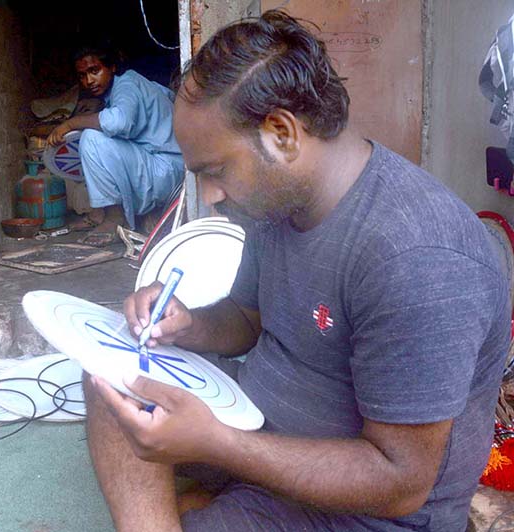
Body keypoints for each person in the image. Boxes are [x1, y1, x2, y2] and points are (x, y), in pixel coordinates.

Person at [82, 10, 510, 532]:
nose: (210, 197)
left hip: (361, 510)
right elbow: (246, 316)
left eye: (215, 172)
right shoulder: (276, 202)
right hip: (254, 426)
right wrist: (188, 324)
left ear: (282, 134)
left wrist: (220, 445)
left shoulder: (417, 255)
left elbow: (399, 483)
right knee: (109, 377)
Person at [47, 45, 184, 246]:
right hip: (169, 169)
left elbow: (119, 122)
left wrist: (70, 123)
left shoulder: (126, 83)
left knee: (92, 139)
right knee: (100, 138)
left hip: (165, 169)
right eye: (83, 75)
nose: (89, 81)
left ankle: (114, 218)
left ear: (111, 67)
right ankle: (102, 214)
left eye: (95, 71)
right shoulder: (137, 84)